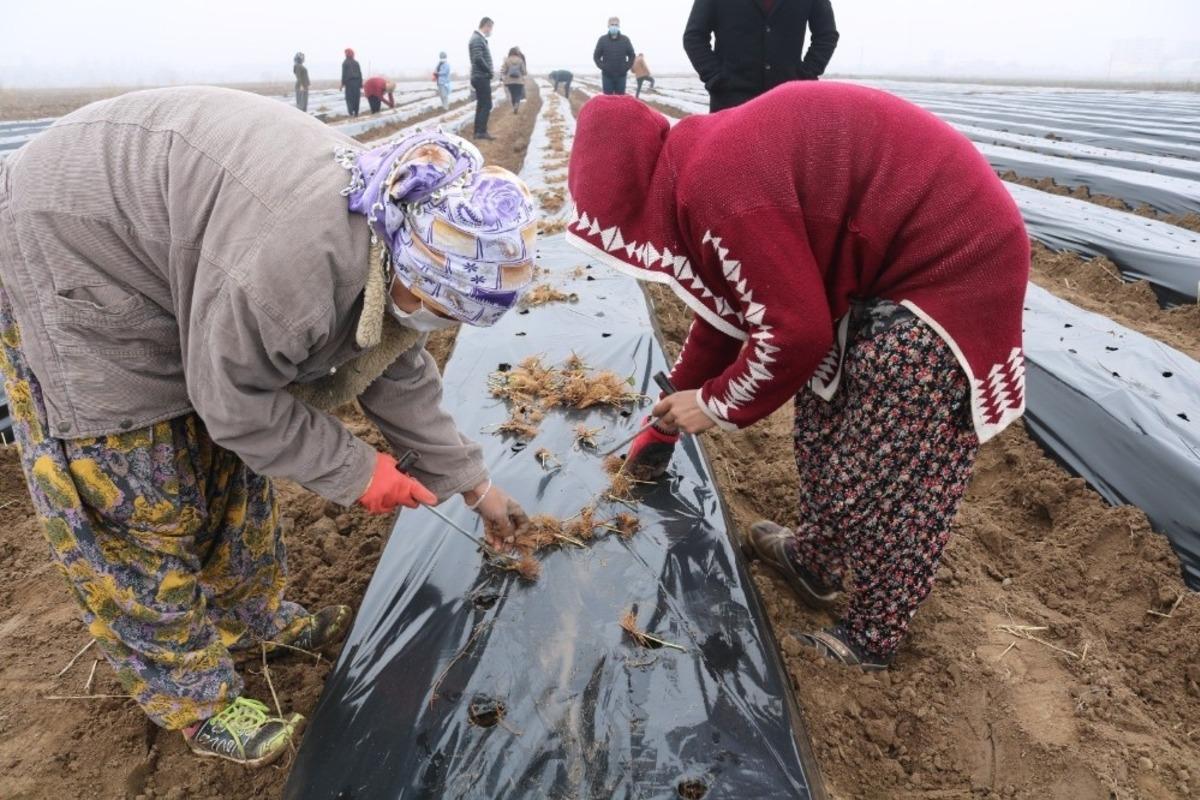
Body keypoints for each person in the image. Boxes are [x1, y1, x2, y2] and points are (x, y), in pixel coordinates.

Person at [0, 87, 538, 766]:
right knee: (136, 486)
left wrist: (472, 482)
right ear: (404, 261)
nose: (437, 323)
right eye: (435, 305)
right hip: (71, 238)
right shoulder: (298, 265)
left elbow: (390, 359)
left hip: (184, 244)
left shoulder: (393, 235)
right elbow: (235, 402)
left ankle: (253, 617)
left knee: (230, 465)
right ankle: (195, 700)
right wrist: (356, 469)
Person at [566, 85, 1029, 671]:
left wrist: (714, 403)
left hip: (951, 264)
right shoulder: (689, 171)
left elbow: (795, 334)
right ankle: (816, 563)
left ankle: (874, 636)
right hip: (881, 264)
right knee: (821, 429)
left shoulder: (716, 189)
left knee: (881, 477)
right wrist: (662, 423)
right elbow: (732, 310)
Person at [684, 0, 840, 112]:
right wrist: (716, 77)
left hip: (787, 103)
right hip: (730, 104)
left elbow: (826, 35)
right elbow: (694, 37)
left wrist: (806, 76)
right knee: (731, 158)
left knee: (784, 158)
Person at [593, 16, 635, 95]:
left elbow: (632, 55)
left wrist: (625, 68)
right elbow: (596, 56)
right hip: (607, 76)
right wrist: (604, 67)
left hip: (621, 76)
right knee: (607, 100)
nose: (614, 26)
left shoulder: (625, 39)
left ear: (619, 26)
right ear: (608, 26)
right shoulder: (602, 40)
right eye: (612, 24)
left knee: (620, 100)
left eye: (616, 25)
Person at [469, 17, 496, 140]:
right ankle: (481, 132)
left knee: (482, 104)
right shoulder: (477, 39)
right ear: (486, 26)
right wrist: (489, 71)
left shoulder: (479, 39)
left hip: (480, 76)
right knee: (487, 104)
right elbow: (478, 58)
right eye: (491, 28)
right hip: (481, 76)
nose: (491, 31)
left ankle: (478, 132)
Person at [500, 47, 527, 114]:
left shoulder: (507, 60)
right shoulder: (520, 60)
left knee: (512, 94)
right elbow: (524, 71)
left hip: (509, 81)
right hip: (519, 81)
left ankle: (514, 105)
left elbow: (503, 70)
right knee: (518, 94)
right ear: (516, 53)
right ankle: (517, 104)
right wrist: (524, 74)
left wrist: (503, 76)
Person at [340, 47, 363, 116]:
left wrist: (342, 84)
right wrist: (361, 84)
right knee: (356, 98)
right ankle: (356, 112)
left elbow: (343, 74)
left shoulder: (345, 63)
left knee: (349, 98)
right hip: (357, 83)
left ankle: (351, 112)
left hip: (349, 83)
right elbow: (360, 73)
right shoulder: (356, 63)